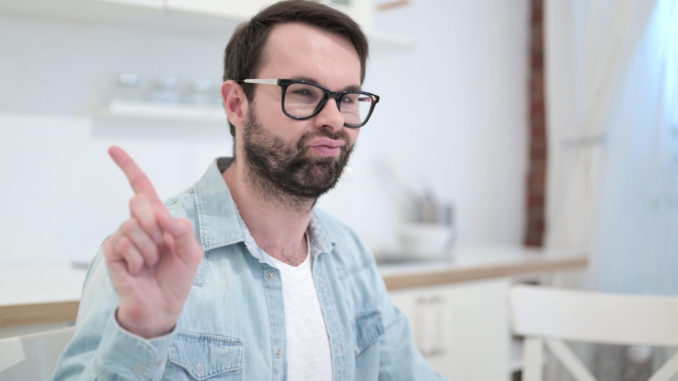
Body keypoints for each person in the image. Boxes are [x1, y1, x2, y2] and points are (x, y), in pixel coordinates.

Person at [53, 1, 445, 380]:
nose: (333, 119)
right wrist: (142, 332)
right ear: (237, 104)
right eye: (304, 92)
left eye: (348, 98)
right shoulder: (152, 260)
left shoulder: (351, 256)